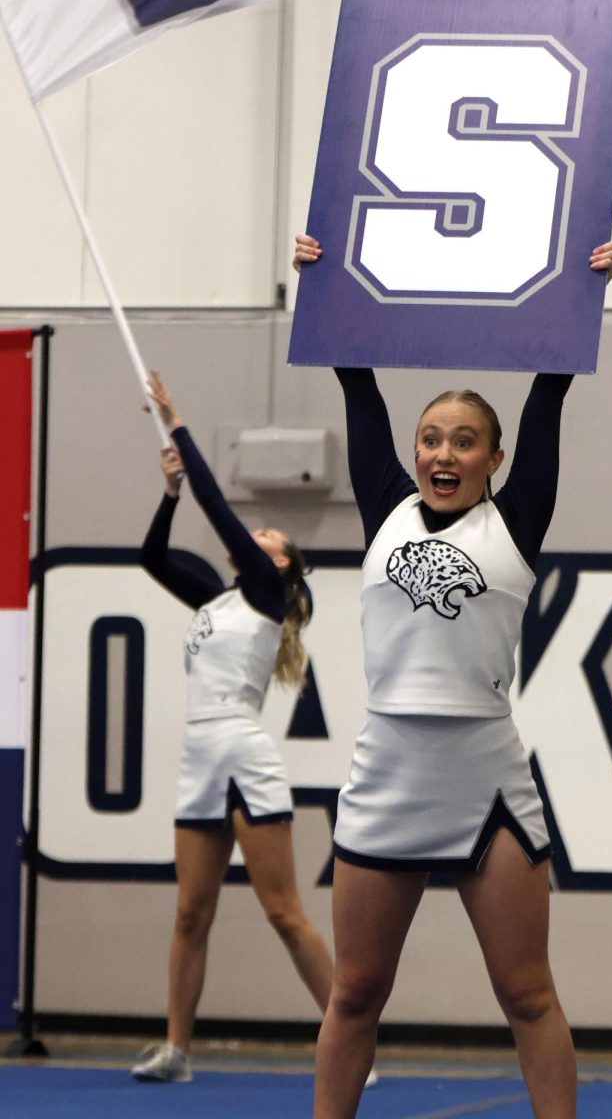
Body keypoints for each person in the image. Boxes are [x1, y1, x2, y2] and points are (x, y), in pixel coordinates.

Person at [294, 232, 612, 1119]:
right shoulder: (383, 510)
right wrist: (319, 274)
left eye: (465, 442)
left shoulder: (514, 526)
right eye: (431, 439)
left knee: (527, 995)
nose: (444, 454)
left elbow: (552, 385)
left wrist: (587, 288)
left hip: (486, 779)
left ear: (495, 459)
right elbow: (352, 374)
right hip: (389, 771)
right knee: (355, 995)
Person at [132, 370, 336, 1083]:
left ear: (281, 564)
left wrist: (179, 422)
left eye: (272, 535)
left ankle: (348, 1040)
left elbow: (220, 511)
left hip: (244, 752)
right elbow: (153, 558)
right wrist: (168, 494)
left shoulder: (264, 590)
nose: (260, 533)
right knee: (191, 913)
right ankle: (177, 1050)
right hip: (198, 756)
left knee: (284, 912)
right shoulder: (216, 599)